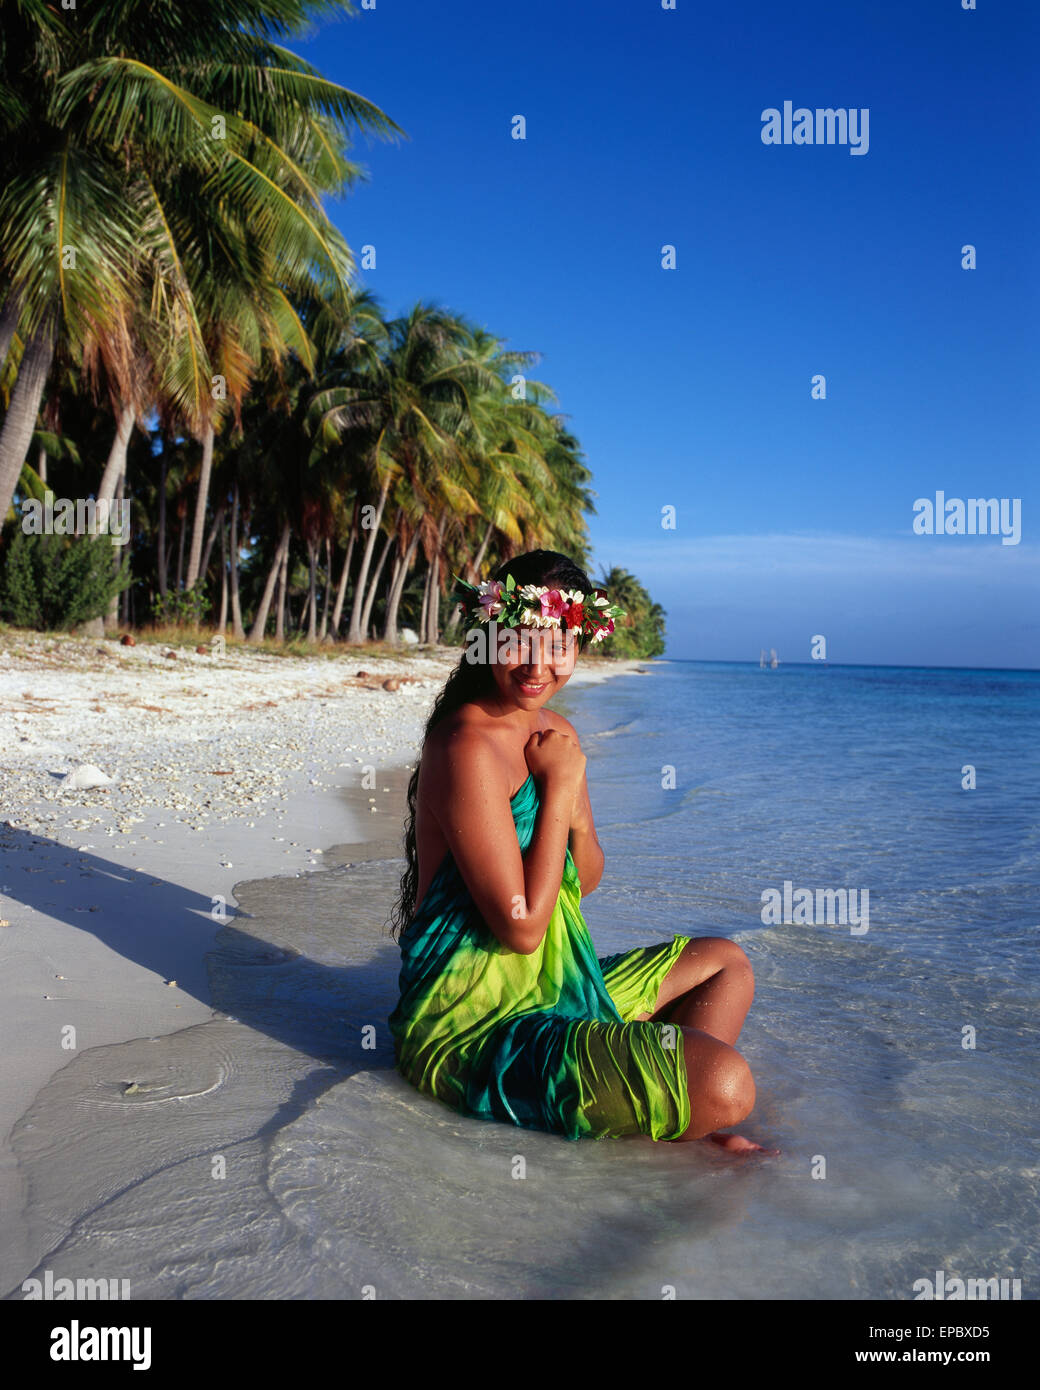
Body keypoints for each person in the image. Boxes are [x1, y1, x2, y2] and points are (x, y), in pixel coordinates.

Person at [387, 550, 772, 1153]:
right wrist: (559, 786)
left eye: (558, 645)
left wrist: (567, 799)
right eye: (520, 642)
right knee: (726, 1082)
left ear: (579, 644)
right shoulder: (465, 745)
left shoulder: (556, 733)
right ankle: (684, 1109)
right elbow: (522, 930)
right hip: (477, 1025)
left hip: (559, 986)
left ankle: (669, 1108)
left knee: (727, 963)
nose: (539, 666)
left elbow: (585, 877)